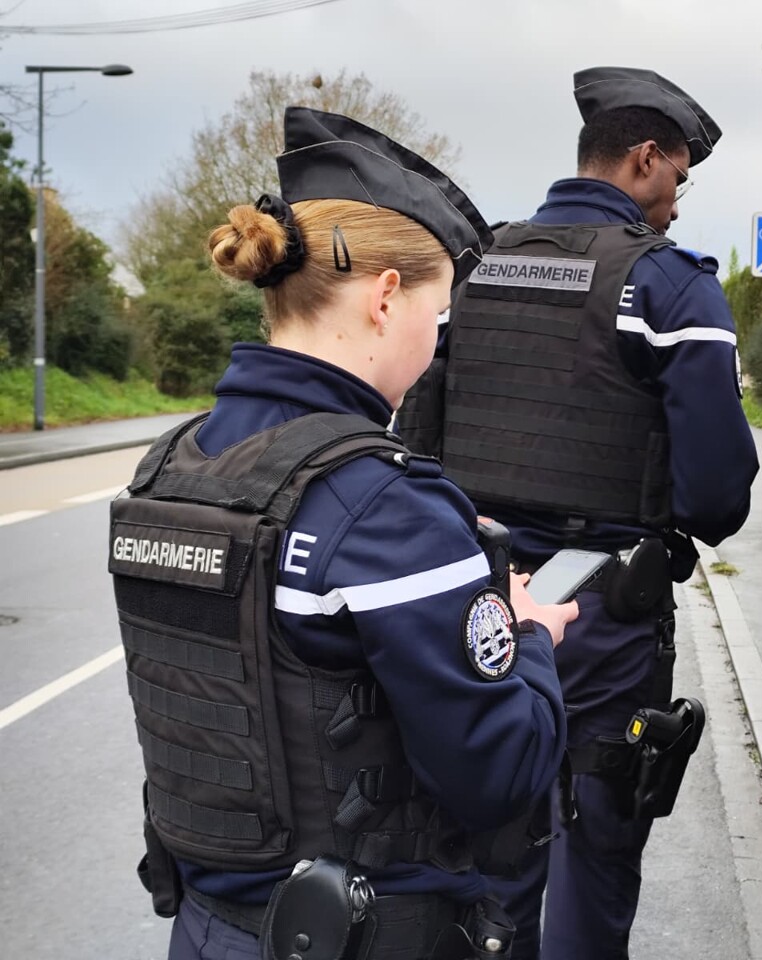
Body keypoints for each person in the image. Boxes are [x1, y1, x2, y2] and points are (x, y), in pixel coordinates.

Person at [108, 107, 578, 960]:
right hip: (370, 936)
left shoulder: (169, 467)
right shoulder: (384, 505)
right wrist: (528, 637)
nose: (437, 347)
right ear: (386, 297)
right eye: (439, 318)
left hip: (206, 930)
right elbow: (501, 774)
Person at [398, 66, 758, 959]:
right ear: (644, 160)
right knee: (595, 853)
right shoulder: (671, 288)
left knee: (494, 851)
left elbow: (417, 439)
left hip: (480, 606)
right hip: (602, 612)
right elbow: (717, 498)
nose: (674, 200)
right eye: (677, 174)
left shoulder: (472, 274)